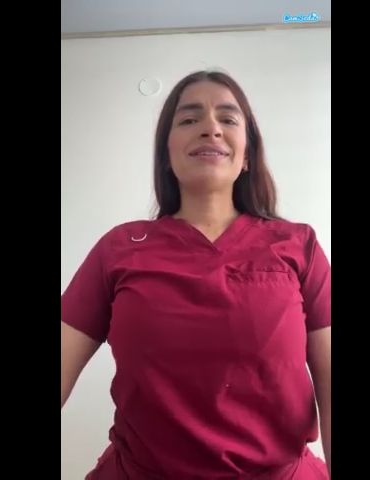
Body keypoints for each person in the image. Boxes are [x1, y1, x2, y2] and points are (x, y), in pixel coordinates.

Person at [61, 70, 331, 479]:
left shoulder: (299, 245)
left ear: (247, 155)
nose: (210, 128)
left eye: (228, 118)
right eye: (189, 119)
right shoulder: (119, 248)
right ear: (166, 155)